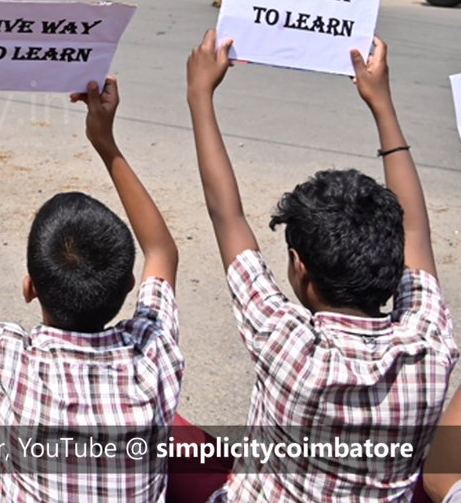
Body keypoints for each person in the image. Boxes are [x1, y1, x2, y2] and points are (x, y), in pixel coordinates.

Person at [0, 72, 183, 501]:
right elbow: (162, 251)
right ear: (130, 285)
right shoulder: (153, 352)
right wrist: (105, 140)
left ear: (29, 287)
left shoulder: (11, 360)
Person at [186, 31, 457, 501]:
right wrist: (382, 104)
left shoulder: (288, 344)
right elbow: (415, 233)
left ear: (300, 268)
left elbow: (225, 215)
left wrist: (199, 95)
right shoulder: (428, 345)